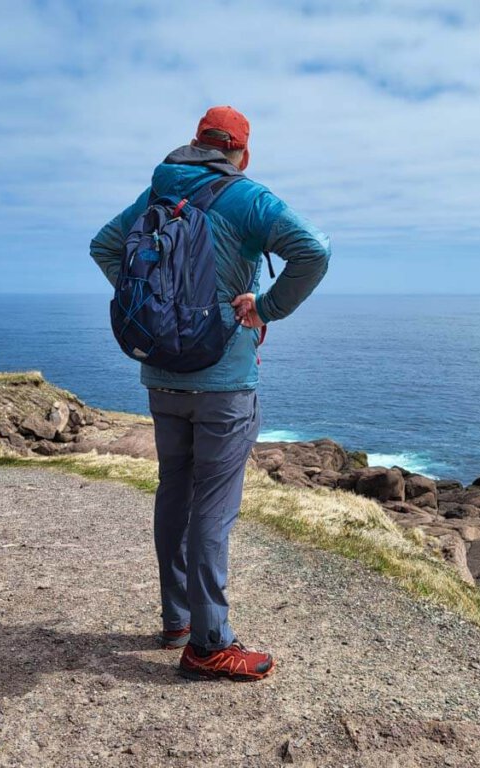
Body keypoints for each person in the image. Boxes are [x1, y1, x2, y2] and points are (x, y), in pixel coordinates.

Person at [90, 106, 330, 681]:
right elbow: (314, 251)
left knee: (174, 490)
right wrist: (264, 307)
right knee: (213, 510)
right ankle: (208, 642)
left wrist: (158, 310)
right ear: (240, 153)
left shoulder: (158, 190)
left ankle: (176, 617)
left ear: (196, 142)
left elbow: (105, 247)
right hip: (222, 380)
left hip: (161, 374)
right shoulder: (246, 197)